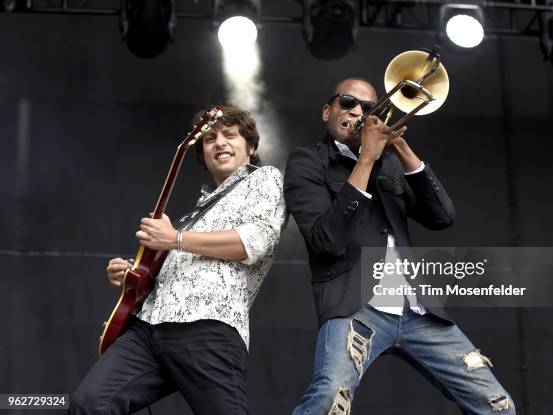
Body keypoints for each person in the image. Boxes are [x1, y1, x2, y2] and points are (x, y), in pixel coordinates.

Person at [283, 77, 515, 414]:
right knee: (329, 398)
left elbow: (442, 216)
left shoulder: (389, 163)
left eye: (368, 107)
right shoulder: (308, 161)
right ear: (326, 111)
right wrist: (364, 160)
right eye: (347, 102)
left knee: (497, 405)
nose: (358, 112)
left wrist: (399, 149)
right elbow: (326, 241)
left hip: (418, 310)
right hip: (355, 307)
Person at [71, 104, 287, 415]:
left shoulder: (264, 178)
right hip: (149, 326)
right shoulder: (196, 211)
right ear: (202, 152)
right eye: (210, 139)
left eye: (230, 135)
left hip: (207, 326)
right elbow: (178, 266)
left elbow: (256, 241)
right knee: (90, 403)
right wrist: (134, 275)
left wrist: (175, 239)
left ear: (251, 147)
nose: (220, 143)